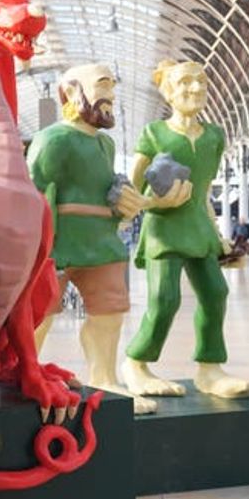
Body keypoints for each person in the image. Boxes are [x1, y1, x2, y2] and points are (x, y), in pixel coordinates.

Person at [121, 60, 249, 399]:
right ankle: (136, 363)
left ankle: (210, 368)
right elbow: (130, 191)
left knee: (216, 293)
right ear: (169, 92)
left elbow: (203, 193)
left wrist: (218, 235)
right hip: (163, 230)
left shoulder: (214, 136)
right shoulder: (154, 134)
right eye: (186, 82)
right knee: (164, 299)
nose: (196, 88)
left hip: (199, 228)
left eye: (201, 81)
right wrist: (154, 203)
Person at [27, 64, 155, 414]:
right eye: (102, 85)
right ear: (70, 92)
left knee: (109, 311)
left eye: (112, 87)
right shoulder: (53, 139)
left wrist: (123, 204)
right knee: (40, 312)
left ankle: (105, 378)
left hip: (101, 243)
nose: (110, 95)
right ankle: (23, 374)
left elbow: (102, 190)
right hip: (58, 243)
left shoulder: (105, 143)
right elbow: (36, 190)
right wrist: (40, 246)